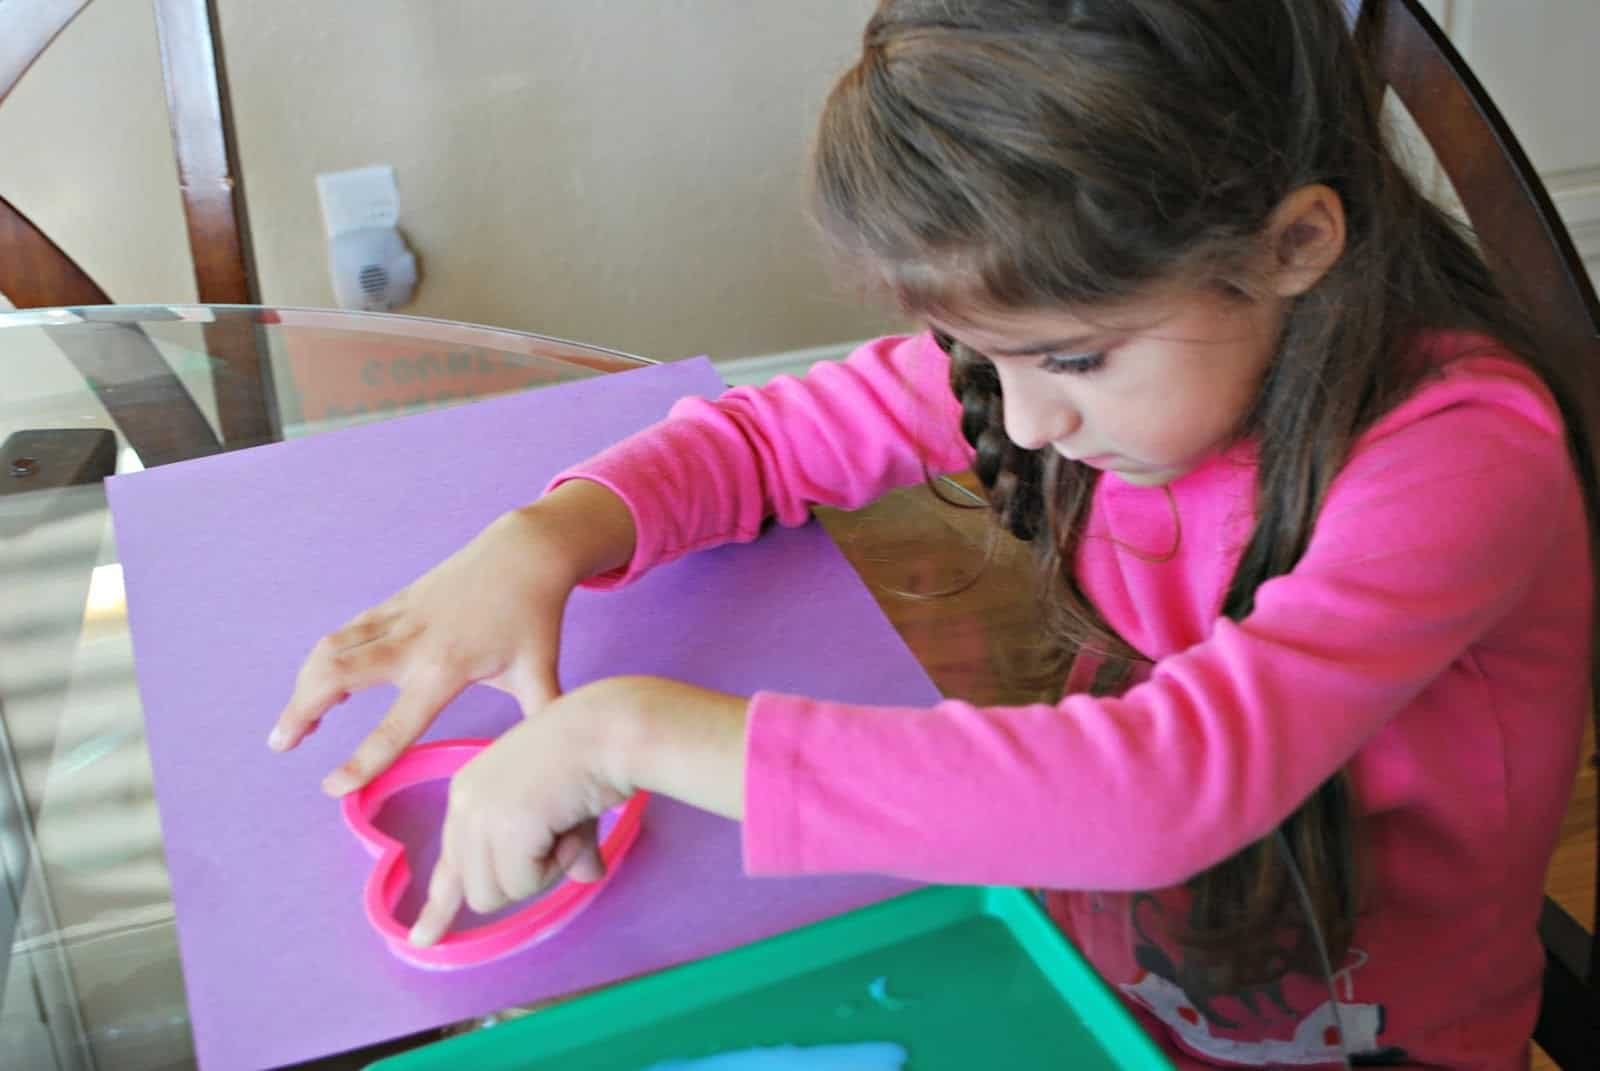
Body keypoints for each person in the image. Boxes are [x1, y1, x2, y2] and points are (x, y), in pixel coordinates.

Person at [269, 2, 1594, 1066]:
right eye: (980, 353)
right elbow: (767, 440)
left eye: (1072, 356)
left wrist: (628, 733)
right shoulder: (1105, 358)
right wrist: (543, 539)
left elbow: (1163, 785)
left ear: (1294, 244)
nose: (1022, 415)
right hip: (1082, 963)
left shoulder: (1462, 454)